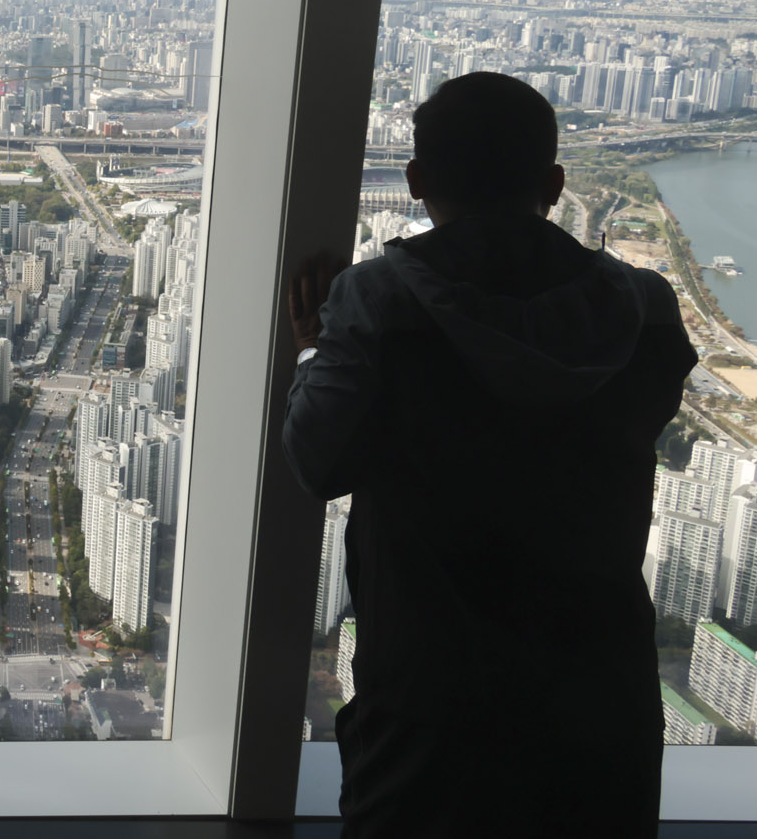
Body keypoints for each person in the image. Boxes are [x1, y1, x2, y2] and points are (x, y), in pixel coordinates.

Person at [283, 72, 696, 838]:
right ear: (554, 182)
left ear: (414, 181)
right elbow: (633, 418)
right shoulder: (645, 310)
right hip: (600, 692)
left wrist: (317, 350)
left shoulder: (377, 307)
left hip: (431, 697)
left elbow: (317, 461)